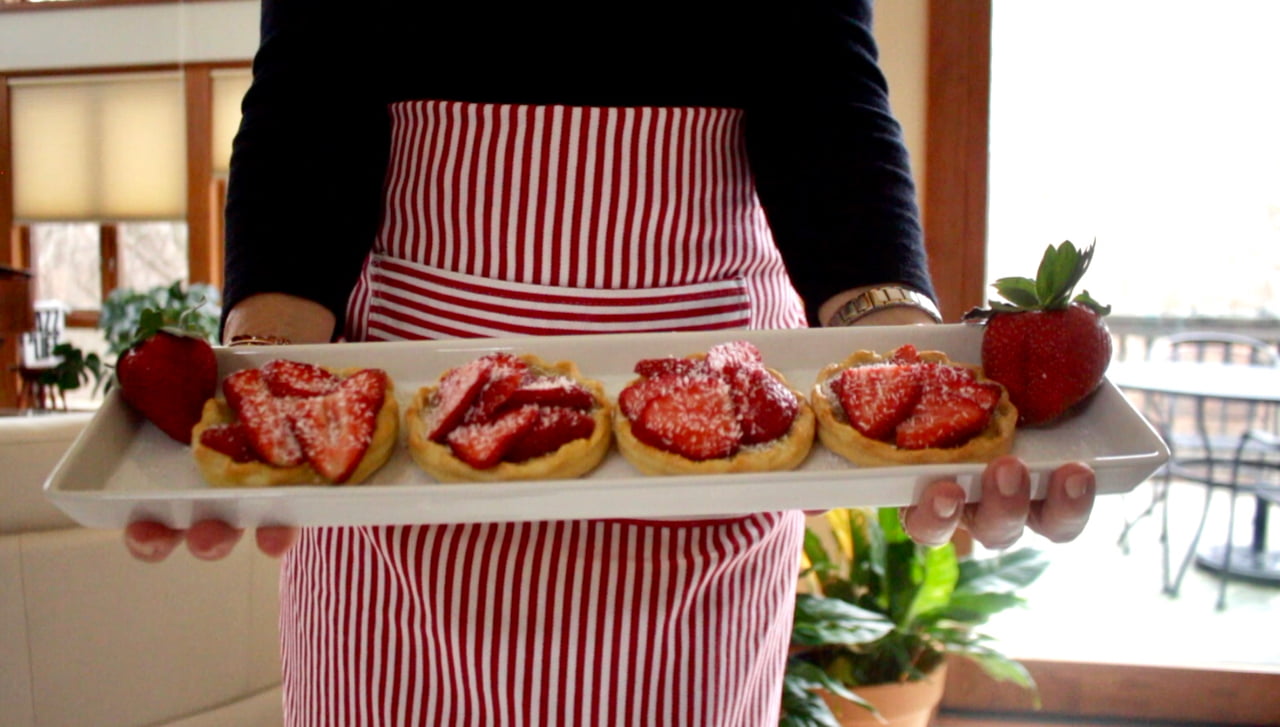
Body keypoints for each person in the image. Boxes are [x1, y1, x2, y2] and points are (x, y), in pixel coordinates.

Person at [126, 2, 1097, 725]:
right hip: (396, 499)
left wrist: (907, 373)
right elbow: (309, 100)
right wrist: (263, 376)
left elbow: (827, 103)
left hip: (713, 466)